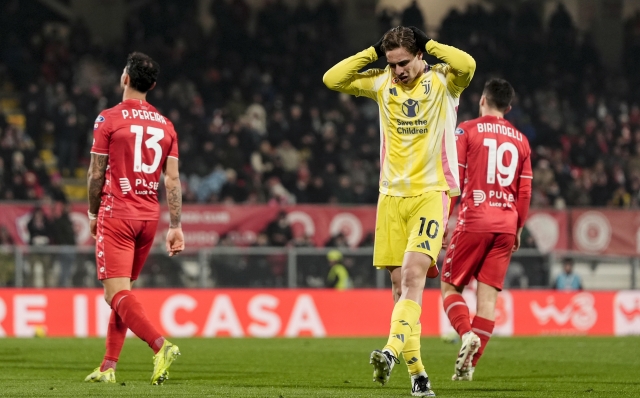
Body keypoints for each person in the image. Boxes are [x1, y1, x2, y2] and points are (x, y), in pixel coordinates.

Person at [324, 26, 475, 396]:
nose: (397, 71)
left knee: (411, 277)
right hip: (390, 198)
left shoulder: (444, 81)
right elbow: (332, 79)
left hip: (431, 194)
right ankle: (419, 377)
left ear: (420, 55)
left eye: (403, 63)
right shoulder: (382, 83)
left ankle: (389, 353)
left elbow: (468, 64)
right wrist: (373, 52)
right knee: (398, 289)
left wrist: (430, 44)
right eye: (391, 64)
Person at [84, 52, 185, 385]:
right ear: (152, 86)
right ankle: (108, 367)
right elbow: (172, 180)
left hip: (118, 214)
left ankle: (160, 346)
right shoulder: (166, 125)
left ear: (124, 77)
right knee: (122, 293)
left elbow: (96, 173)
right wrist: (175, 226)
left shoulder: (108, 119)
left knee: (115, 294)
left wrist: (93, 211)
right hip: (149, 217)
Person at [440, 79, 532, 382]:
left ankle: (466, 335)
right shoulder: (521, 141)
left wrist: (443, 220)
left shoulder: (467, 130)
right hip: (506, 225)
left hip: (475, 220)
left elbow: (455, 180)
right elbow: (525, 192)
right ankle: (469, 366)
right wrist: (518, 227)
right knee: (488, 300)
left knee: (450, 287)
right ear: (508, 107)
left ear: (482, 100)